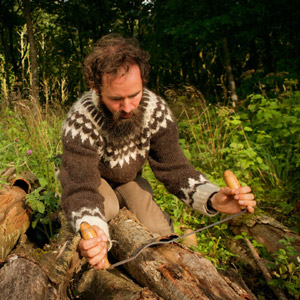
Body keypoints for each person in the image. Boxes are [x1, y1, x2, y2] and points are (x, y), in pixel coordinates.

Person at [59, 33, 256, 270]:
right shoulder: (81, 119)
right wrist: (94, 230)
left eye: (134, 95)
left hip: (128, 180)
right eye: (116, 99)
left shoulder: (155, 111)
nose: (128, 107)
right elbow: (81, 185)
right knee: (106, 207)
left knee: (161, 233)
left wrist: (213, 198)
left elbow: (175, 168)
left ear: (142, 80)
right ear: (96, 87)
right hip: (93, 179)